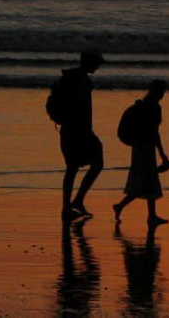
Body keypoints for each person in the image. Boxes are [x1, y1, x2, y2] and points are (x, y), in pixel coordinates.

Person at [113, 80, 169, 226]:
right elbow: (154, 133)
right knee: (148, 180)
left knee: (146, 180)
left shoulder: (142, 106)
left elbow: (153, 132)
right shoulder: (153, 108)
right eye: (163, 92)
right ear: (159, 92)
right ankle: (142, 214)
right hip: (145, 147)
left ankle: (147, 214)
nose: (163, 95)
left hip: (139, 146)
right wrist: (162, 154)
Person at [57, 51, 106, 221]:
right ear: (90, 63)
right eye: (97, 63)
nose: (98, 66)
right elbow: (81, 110)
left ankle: (71, 204)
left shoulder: (71, 78)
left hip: (69, 130)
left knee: (73, 168)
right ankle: (72, 204)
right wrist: (86, 132)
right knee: (93, 163)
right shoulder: (82, 82)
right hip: (79, 131)